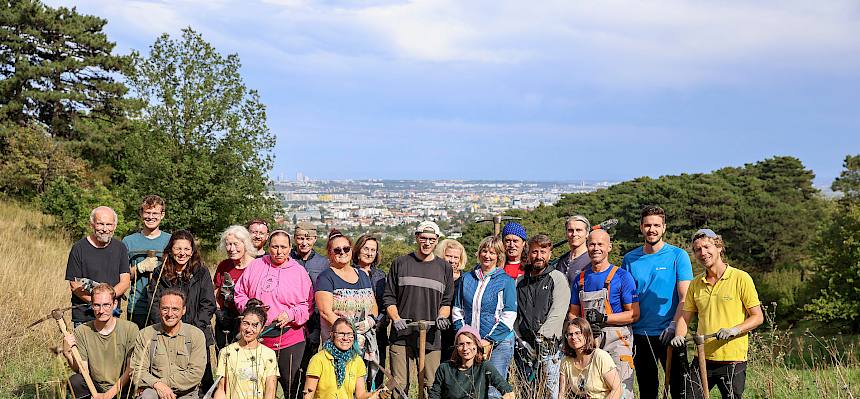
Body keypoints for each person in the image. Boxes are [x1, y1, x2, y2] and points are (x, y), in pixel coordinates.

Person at [671, 229, 763, 399]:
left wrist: (734, 330)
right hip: (702, 358)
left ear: (719, 246)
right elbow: (685, 317)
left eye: (706, 247)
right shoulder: (695, 284)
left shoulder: (740, 278)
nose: (702, 253)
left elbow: (757, 317)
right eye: (697, 250)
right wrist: (679, 335)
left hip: (733, 360)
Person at [621, 205, 693, 399]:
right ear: (641, 227)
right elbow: (626, 299)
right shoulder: (630, 259)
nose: (651, 229)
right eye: (647, 225)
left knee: (681, 390)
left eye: (656, 225)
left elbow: (685, 298)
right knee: (647, 390)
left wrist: (674, 326)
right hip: (640, 335)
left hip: (670, 334)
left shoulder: (678, 256)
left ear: (664, 228)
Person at [234, 230, 314, 398]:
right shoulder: (255, 266)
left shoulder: (298, 272)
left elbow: (307, 305)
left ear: (290, 247)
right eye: (275, 247)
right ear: (268, 247)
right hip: (258, 338)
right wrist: (248, 307)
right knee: (257, 389)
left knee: (292, 389)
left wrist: (291, 314)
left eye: (283, 247)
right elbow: (239, 293)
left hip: (289, 339)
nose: (279, 252)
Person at [383, 220, 455, 396]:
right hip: (402, 336)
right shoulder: (400, 263)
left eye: (431, 239)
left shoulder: (444, 268)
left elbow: (446, 302)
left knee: (431, 385)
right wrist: (396, 318)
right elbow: (389, 297)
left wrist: (441, 317)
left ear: (437, 240)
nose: (427, 243)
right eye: (423, 238)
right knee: (399, 385)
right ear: (417, 238)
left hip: (430, 336)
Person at [568, 229, 639, 399]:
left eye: (600, 244)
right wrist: (583, 329)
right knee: (591, 390)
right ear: (587, 246)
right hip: (589, 339)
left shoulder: (622, 276)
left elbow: (634, 314)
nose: (596, 248)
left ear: (609, 247)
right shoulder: (580, 279)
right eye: (592, 244)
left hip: (617, 340)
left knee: (619, 390)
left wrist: (604, 318)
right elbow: (572, 314)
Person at [147, 229, 217, 393]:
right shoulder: (160, 272)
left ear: (192, 251)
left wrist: (194, 330)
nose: (182, 253)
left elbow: (208, 303)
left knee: (202, 379)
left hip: (197, 332)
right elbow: (154, 303)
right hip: (167, 333)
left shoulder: (201, 272)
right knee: (167, 375)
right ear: (171, 249)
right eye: (178, 248)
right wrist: (166, 328)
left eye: (186, 249)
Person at [452, 235, 517, 399]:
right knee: (471, 386)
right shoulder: (467, 278)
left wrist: (488, 340)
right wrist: (465, 336)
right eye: (484, 251)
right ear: (479, 253)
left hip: (498, 343)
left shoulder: (505, 281)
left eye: (492, 253)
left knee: (493, 390)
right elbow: (457, 309)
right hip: (470, 344)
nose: (487, 256)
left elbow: (509, 314)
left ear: (499, 256)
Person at [514, 234, 570, 399]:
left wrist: (542, 338)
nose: (539, 256)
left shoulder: (557, 278)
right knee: (526, 392)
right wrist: (520, 340)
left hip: (549, 349)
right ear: (528, 253)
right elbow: (515, 314)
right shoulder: (520, 281)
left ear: (549, 254)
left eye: (543, 252)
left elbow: (558, 312)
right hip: (525, 349)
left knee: (550, 393)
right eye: (534, 252)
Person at [62, 284, 138, 399]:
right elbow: (83, 370)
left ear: (114, 304)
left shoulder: (130, 329)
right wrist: (67, 354)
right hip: (96, 387)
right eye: (97, 305)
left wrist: (109, 395)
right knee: (75, 381)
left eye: (106, 305)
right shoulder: (82, 331)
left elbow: (131, 368)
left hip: (122, 386)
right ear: (91, 305)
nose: (101, 311)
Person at [131, 288, 207, 399]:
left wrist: (161, 384)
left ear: (184, 310)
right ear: (159, 309)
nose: (170, 314)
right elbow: (136, 370)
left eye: (175, 309)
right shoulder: (145, 334)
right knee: (147, 396)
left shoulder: (195, 335)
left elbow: (195, 373)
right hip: (155, 391)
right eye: (165, 309)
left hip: (186, 393)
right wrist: (157, 385)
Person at [65, 206, 130, 326]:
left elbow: (125, 282)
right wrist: (97, 303)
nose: (105, 229)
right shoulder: (79, 248)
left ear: (114, 226)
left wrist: (107, 304)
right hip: (84, 316)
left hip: (112, 315)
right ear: (92, 225)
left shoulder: (120, 248)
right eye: (100, 224)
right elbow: (74, 285)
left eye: (109, 224)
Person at [315, 229, 377, 343]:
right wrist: (349, 332)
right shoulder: (325, 277)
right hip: (340, 343)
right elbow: (326, 312)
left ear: (351, 250)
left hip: (366, 342)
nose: (342, 252)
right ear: (330, 253)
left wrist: (370, 322)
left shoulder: (363, 275)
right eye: (337, 250)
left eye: (346, 248)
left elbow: (373, 305)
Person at [303, 318, 385, 399]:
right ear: (332, 335)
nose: (345, 338)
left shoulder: (357, 360)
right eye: (341, 333)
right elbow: (308, 394)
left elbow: (360, 395)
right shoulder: (318, 359)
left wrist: (377, 394)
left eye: (350, 334)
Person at [291, 221, 329, 394]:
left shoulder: (323, 263)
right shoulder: (288, 259)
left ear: (315, 239)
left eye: (308, 238)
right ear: (294, 239)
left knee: (310, 362)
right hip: (292, 318)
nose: (304, 243)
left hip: (314, 319)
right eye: (300, 238)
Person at [123, 195, 171, 329]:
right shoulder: (129, 242)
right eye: (147, 213)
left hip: (165, 307)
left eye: (155, 213)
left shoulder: (171, 241)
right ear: (141, 213)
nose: (151, 217)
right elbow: (120, 276)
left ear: (162, 215)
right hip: (137, 307)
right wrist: (139, 268)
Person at [429, 325, 514, 399]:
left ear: (477, 345)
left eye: (469, 343)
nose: (465, 348)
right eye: (461, 344)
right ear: (456, 347)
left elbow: (507, 391)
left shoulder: (484, 366)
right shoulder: (445, 368)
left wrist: (507, 395)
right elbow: (434, 395)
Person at [213, 305, 280, 399]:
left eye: (254, 325)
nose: (249, 329)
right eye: (245, 323)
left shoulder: (268, 354)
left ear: (262, 328)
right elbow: (221, 388)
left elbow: (270, 389)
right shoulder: (226, 352)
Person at [352, 234, 388, 389]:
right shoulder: (348, 272)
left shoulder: (381, 276)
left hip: (377, 333)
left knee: (375, 377)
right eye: (366, 248)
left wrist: (377, 323)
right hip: (354, 333)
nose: (369, 253)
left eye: (373, 250)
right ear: (358, 250)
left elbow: (386, 304)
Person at [213, 225, 257, 349]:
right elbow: (216, 290)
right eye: (228, 244)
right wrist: (219, 311)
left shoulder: (256, 266)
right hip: (224, 321)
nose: (231, 249)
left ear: (245, 244)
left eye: (236, 244)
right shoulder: (224, 265)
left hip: (247, 321)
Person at [558, 318, 622, 399]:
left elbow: (617, 390)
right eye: (570, 334)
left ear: (586, 334)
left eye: (578, 333)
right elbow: (562, 394)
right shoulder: (566, 362)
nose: (573, 337)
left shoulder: (600, 356)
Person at [434, 238, 468, 360]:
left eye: (456, 257)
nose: (452, 261)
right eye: (449, 256)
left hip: (459, 329)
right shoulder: (435, 278)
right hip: (438, 330)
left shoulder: (467, 280)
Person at [554, 215, 592, 284]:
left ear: (587, 234)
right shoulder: (561, 261)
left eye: (578, 230)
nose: (574, 234)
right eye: (570, 230)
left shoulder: (591, 261)